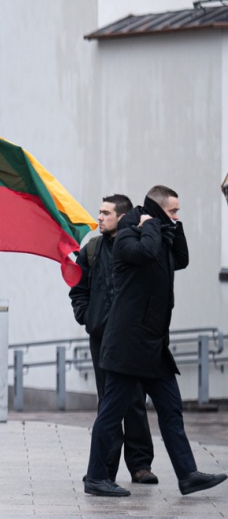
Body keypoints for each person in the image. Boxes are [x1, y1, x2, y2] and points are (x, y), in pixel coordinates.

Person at [85, 185, 227, 497]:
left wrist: (173, 226)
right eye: (173, 211)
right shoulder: (128, 235)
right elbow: (146, 253)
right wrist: (150, 223)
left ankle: (188, 474)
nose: (176, 216)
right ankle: (95, 477)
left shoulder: (158, 232)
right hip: (127, 344)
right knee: (111, 412)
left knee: (171, 408)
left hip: (152, 344)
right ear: (158, 210)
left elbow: (182, 259)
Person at [68, 195, 157, 484]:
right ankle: (105, 468)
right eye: (100, 212)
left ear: (122, 216)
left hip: (132, 338)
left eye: (105, 213)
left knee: (133, 400)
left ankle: (140, 465)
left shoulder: (136, 247)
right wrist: (87, 317)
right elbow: (78, 289)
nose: (99, 218)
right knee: (108, 401)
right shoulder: (92, 250)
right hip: (102, 337)